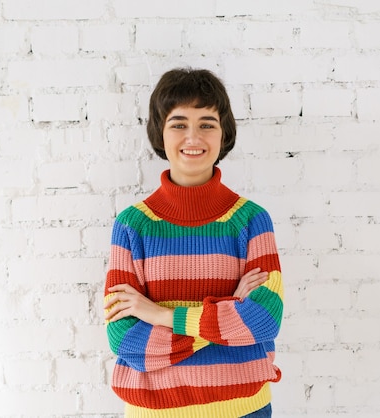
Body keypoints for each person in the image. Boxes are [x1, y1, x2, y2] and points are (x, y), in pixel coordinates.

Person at [103, 68, 283, 418]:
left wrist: (160, 315)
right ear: (160, 132)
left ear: (223, 133)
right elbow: (125, 340)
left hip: (243, 410)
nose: (193, 136)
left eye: (207, 123)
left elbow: (263, 320)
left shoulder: (252, 220)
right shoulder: (131, 226)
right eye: (179, 123)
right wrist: (230, 312)